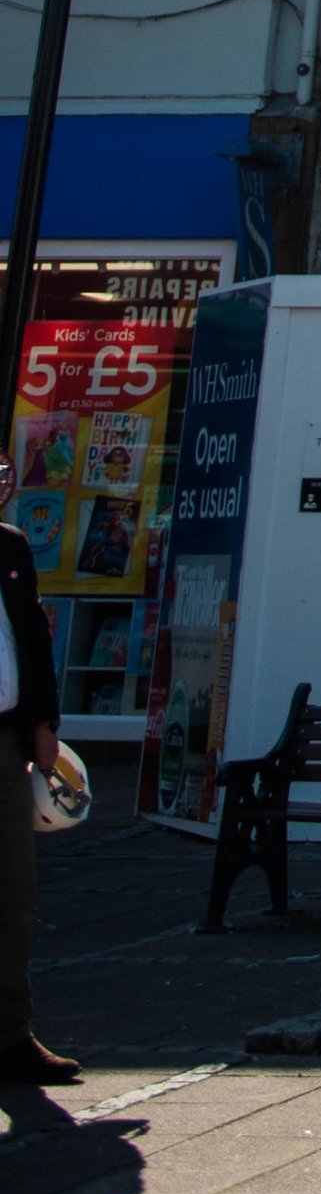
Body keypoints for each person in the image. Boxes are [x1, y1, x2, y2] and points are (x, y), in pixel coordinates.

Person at [0, 458, 73, 1085]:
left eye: (0, 473)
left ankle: (10, 1035)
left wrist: (44, 726)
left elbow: (32, 638)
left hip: (4, 738)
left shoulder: (11, 546)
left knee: (14, 893)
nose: (1, 484)